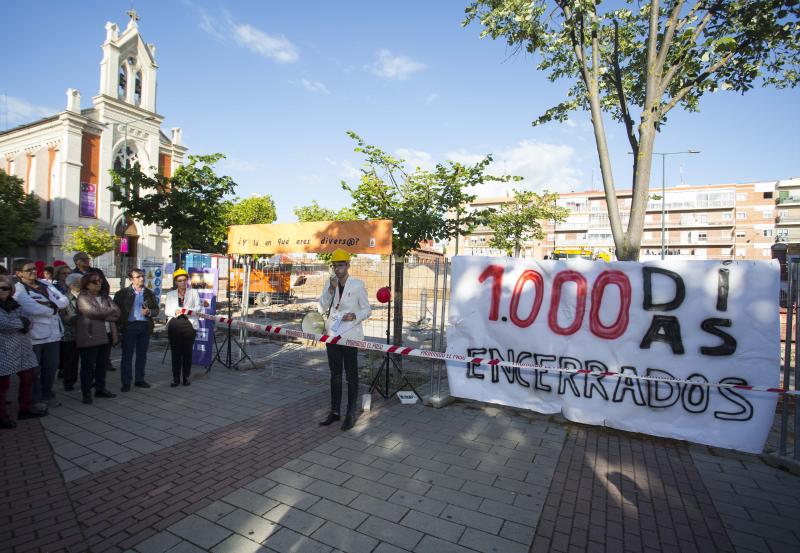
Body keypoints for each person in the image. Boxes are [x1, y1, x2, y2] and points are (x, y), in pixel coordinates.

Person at [317, 248, 371, 431]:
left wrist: (354, 315)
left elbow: (367, 309)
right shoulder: (329, 284)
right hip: (332, 335)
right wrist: (330, 290)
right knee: (335, 375)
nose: (338, 269)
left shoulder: (357, 284)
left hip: (350, 336)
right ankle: (335, 411)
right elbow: (321, 306)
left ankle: (350, 413)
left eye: (341, 265)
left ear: (348, 265)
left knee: (351, 375)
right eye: (335, 266)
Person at [13, 258, 69, 406]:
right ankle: (34, 399)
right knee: (34, 370)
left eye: (34, 269)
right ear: (19, 273)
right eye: (28, 270)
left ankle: (47, 395)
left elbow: (64, 300)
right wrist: (54, 308)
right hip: (35, 336)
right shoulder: (18, 290)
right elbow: (33, 309)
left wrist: (50, 305)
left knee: (52, 367)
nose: (33, 271)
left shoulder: (45, 284)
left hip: (54, 334)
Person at [0, 275, 46, 428]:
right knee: (2, 385)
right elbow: (4, 324)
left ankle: (25, 409)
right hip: (3, 351)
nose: (2, 291)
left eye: (5, 288)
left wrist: (23, 322)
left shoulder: (15, 304)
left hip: (22, 349)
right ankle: (2, 416)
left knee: (28, 378)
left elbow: (29, 319)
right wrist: (22, 323)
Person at [76, 273, 120, 404]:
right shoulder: (83, 297)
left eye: (100, 281)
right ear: (87, 284)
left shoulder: (105, 297)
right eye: (95, 282)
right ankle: (86, 393)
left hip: (106, 335)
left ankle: (100, 389)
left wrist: (103, 313)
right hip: (90, 335)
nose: (99, 283)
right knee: (88, 366)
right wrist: (107, 313)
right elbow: (92, 312)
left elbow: (117, 312)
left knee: (102, 364)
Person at [113, 268, 159, 392]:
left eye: (142, 276)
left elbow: (156, 310)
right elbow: (115, 312)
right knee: (127, 355)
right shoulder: (122, 293)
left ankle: (140, 379)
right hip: (129, 327)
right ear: (131, 279)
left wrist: (149, 312)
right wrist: (117, 328)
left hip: (144, 326)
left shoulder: (149, 293)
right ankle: (126, 382)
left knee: (142, 355)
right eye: (138, 276)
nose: (142, 278)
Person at [164, 268, 201, 387]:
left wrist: (186, 311)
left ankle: (185, 377)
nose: (183, 282)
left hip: (189, 324)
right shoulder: (170, 294)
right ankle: (176, 378)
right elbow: (167, 311)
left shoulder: (193, 292)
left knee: (187, 353)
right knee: (175, 353)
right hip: (175, 324)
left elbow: (199, 308)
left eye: (185, 280)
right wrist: (176, 311)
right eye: (180, 280)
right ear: (176, 282)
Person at [59, 274, 83, 391]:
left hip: (86, 334)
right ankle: (69, 382)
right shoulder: (65, 299)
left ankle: (88, 380)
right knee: (70, 360)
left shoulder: (86, 296)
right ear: (71, 285)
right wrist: (86, 315)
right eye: (79, 282)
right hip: (70, 335)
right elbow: (66, 318)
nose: (82, 284)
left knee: (87, 360)